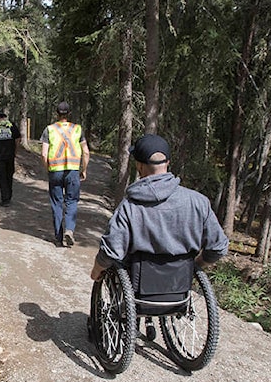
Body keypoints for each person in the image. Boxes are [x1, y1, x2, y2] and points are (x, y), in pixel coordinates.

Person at [90, 134, 228, 282]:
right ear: (167, 162)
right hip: (179, 287)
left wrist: (96, 271)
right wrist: (195, 266)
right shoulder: (198, 202)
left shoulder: (129, 207)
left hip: (137, 284)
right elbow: (218, 247)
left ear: (139, 165)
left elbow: (111, 251)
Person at [40, 101, 89, 247]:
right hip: (73, 170)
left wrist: (47, 168)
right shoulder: (77, 129)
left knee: (56, 203)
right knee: (72, 201)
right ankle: (69, 229)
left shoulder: (49, 129)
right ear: (69, 113)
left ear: (57, 113)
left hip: (55, 170)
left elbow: (44, 154)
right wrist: (84, 169)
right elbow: (86, 151)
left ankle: (58, 236)